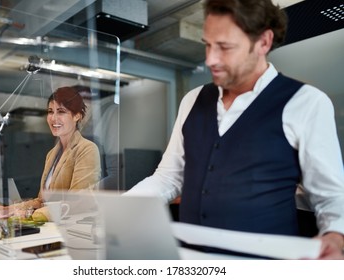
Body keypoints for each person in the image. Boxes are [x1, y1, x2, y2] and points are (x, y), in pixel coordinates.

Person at [126, 0, 344, 259]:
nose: (210, 59)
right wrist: (120, 209)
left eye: (225, 47)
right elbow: (169, 177)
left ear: (263, 42)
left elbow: (330, 195)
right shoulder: (193, 99)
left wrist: (335, 236)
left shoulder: (306, 102)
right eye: (207, 44)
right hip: (191, 260)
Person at [0, 86, 102, 221]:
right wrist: (7, 210)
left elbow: (78, 202)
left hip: (70, 231)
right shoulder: (52, 154)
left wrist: (30, 216)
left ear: (77, 116)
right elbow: (41, 201)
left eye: (61, 112)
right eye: (50, 112)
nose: (53, 118)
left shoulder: (86, 149)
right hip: (50, 228)